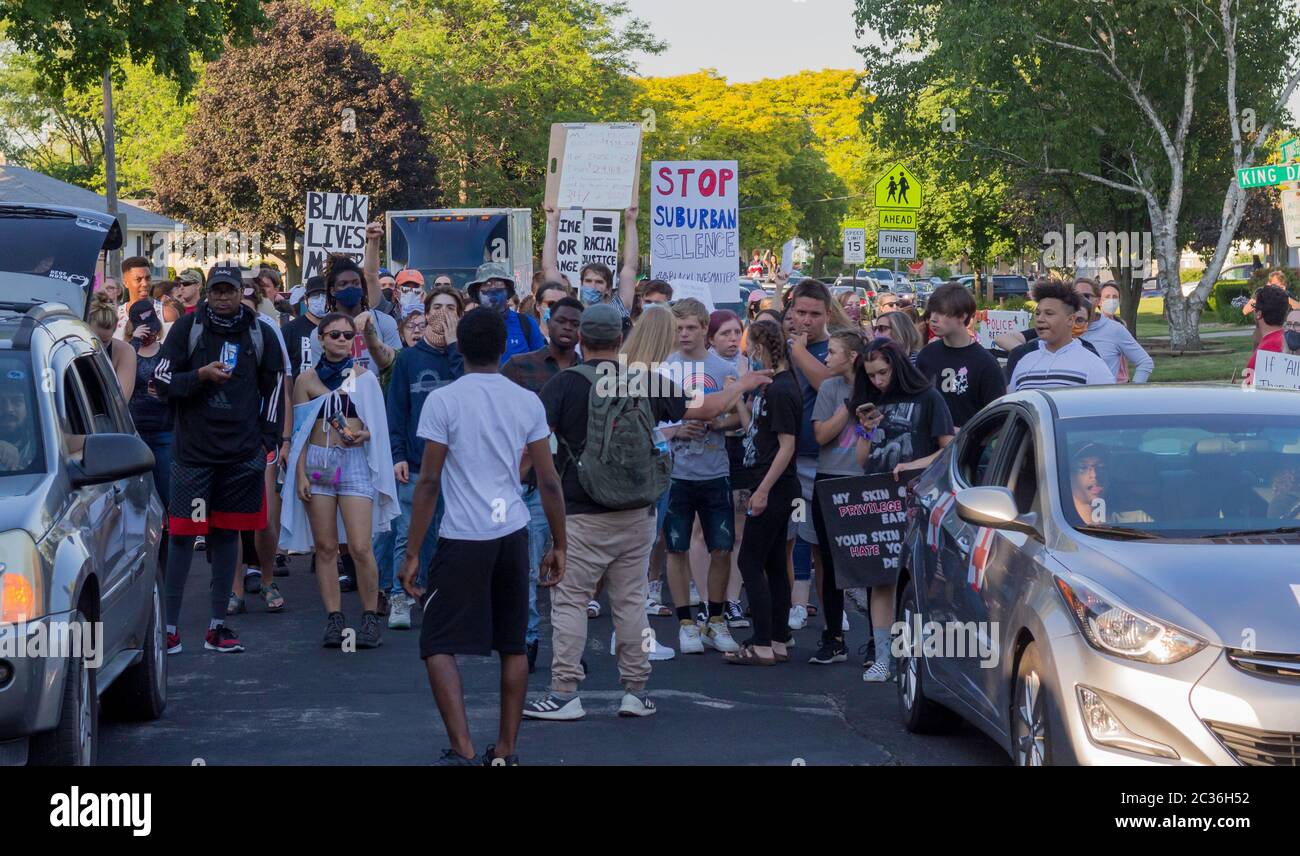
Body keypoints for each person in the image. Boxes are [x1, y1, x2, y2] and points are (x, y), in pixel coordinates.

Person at [524, 305, 771, 720]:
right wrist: (742, 384)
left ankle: (565, 692)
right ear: (620, 340)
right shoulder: (648, 382)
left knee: (569, 603)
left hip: (581, 513)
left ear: (582, 340)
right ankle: (636, 690)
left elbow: (532, 447)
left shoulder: (563, 384)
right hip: (637, 512)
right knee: (632, 602)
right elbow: (707, 408)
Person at [399, 308, 566, 766]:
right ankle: (506, 752)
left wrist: (412, 552)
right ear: (500, 349)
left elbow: (428, 482)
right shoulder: (527, 400)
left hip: (462, 536)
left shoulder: (444, 401)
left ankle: (463, 746)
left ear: (461, 347)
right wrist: (559, 543)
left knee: (437, 641)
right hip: (512, 531)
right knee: (513, 643)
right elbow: (548, 481)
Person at [154, 265, 286, 655]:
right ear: (208, 293)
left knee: (228, 535)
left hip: (241, 456)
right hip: (194, 456)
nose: (225, 297)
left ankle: (217, 627)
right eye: (218, 291)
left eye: (232, 290)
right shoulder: (187, 330)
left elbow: (276, 388)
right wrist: (200, 376)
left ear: (242, 293)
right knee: (182, 537)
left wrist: (267, 440)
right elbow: (160, 382)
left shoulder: (260, 331)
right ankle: (171, 630)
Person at [281, 312, 397, 648]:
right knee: (326, 547)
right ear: (321, 339)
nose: (342, 340)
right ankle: (334, 618)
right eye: (334, 335)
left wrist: (364, 435)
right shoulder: (306, 380)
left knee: (361, 546)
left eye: (347, 335)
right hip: (318, 462)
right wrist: (300, 472)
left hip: (355, 463)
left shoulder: (365, 378)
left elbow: (377, 424)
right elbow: (301, 431)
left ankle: (370, 616)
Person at [851, 338, 954, 681]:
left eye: (883, 372)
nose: (878, 380)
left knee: (920, 580)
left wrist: (914, 465)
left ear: (898, 366)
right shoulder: (871, 401)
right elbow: (861, 460)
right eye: (872, 375)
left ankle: (915, 656)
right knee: (879, 581)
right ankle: (883, 657)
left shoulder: (929, 398)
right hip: (878, 498)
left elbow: (948, 449)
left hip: (917, 501)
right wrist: (863, 431)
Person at [502, 295, 583, 670]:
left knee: (576, 576)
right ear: (547, 322)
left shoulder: (593, 372)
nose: (567, 328)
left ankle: (570, 654)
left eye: (575, 324)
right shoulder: (520, 368)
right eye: (561, 321)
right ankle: (527, 642)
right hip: (532, 485)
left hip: (580, 489)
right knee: (532, 568)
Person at [377, 284, 465, 630]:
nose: (443, 314)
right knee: (408, 532)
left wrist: (457, 346)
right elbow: (396, 411)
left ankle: (436, 595)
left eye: (451, 308)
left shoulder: (464, 357)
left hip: (456, 466)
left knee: (449, 535)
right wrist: (397, 454)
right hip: (415, 463)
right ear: (426, 313)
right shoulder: (409, 360)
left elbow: (467, 393)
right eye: (437, 307)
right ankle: (400, 596)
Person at [661, 298, 741, 655]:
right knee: (676, 546)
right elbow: (645, 422)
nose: (685, 334)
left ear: (704, 329)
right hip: (675, 473)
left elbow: (742, 418)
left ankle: (717, 618)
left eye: (691, 327)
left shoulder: (723, 367)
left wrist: (716, 421)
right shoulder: (662, 369)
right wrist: (676, 430)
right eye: (678, 328)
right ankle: (686, 622)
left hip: (715, 470)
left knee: (722, 547)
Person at [725, 319, 801, 665]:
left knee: (749, 560)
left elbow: (787, 446)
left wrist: (763, 490)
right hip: (767, 480)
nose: (747, 356)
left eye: (749, 349)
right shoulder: (769, 388)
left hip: (775, 485)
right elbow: (755, 432)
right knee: (770, 562)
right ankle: (778, 637)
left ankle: (761, 642)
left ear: (761, 348)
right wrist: (741, 396)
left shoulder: (783, 389)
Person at [806, 328, 866, 665]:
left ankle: (877, 640)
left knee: (868, 564)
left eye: (832, 352)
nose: (825, 358)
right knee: (829, 564)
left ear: (852, 357)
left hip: (863, 481)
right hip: (830, 480)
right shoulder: (830, 387)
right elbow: (820, 435)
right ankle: (834, 637)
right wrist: (848, 408)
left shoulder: (875, 384)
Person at [621, 304, 680, 621]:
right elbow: (691, 411)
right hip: (653, 464)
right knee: (643, 543)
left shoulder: (620, 368)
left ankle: (628, 624)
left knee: (632, 546)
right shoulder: (661, 374)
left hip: (625, 466)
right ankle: (633, 628)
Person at [783, 278, 835, 631]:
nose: (806, 320)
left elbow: (829, 384)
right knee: (793, 534)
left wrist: (799, 353)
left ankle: (834, 608)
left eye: (814, 314)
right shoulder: (782, 347)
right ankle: (796, 603)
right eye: (799, 312)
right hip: (788, 458)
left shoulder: (837, 348)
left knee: (825, 539)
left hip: (826, 458)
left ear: (827, 315)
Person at [708, 310, 753, 628]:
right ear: (711, 338)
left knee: (737, 532)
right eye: (724, 333)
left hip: (737, 451)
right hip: (703, 453)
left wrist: (729, 411)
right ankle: (704, 597)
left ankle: (733, 599)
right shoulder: (702, 366)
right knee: (703, 532)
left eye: (736, 332)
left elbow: (748, 418)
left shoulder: (748, 366)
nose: (732, 339)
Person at [916, 283, 1006, 429]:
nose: (933, 318)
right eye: (932, 312)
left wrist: (964, 435)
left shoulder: (986, 364)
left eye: (941, 312)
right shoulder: (926, 355)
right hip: (929, 447)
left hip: (968, 447)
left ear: (962, 316)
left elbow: (996, 420)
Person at [542, 203, 641, 323]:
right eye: (588, 281)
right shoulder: (570, 310)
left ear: (608, 288)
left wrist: (630, 222)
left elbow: (630, 267)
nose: (592, 286)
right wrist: (553, 224)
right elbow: (549, 268)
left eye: (599, 282)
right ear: (581, 283)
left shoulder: (618, 308)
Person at [1009, 281, 1114, 391]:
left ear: (1070, 320)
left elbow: (1108, 404)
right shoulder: (1024, 361)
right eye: (1038, 313)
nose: (1040, 319)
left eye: (1049, 313)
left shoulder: (1092, 364)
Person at [310, 251, 399, 374]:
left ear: (362, 287)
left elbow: (397, 366)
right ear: (332, 291)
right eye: (343, 284)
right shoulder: (319, 333)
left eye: (356, 283)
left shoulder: (385, 322)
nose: (350, 287)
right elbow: (318, 377)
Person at [125, 300, 173, 520]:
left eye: (153, 327)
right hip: (135, 432)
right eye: (146, 328)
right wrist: (134, 341)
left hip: (163, 430)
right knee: (137, 497)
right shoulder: (126, 350)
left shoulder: (166, 351)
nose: (150, 332)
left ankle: (168, 542)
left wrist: (166, 394)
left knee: (167, 492)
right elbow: (118, 384)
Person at [1073, 278, 1153, 383]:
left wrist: (1133, 391)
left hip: (1103, 397)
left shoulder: (1114, 329)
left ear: (1097, 300)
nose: (1080, 301)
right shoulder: (1062, 329)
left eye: (1086, 296)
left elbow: (1145, 362)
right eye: (1075, 296)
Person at [466, 262, 544, 364]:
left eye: (498, 284)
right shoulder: (468, 326)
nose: (492, 289)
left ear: (508, 290)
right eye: (486, 284)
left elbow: (542, 365)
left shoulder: (526, 324)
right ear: (477, 293)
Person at [89, 292, 137, 397]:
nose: (99, 347)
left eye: (105, 341)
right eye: (94, 340)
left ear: (114, 329)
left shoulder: (124, 351)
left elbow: (121, 402)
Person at [283, 275, 327, 376]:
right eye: (315, 295)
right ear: (306, 298)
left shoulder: (338, 328)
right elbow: (284, 370)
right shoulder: (289, 330)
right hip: (300, 390)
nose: (320, 299)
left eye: (324, 294)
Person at [1246, 285, 1290, 384]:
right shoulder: (1287, 339)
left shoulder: (1266, 351)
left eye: (1254, 307)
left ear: (1259, 314)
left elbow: (1251, 396)